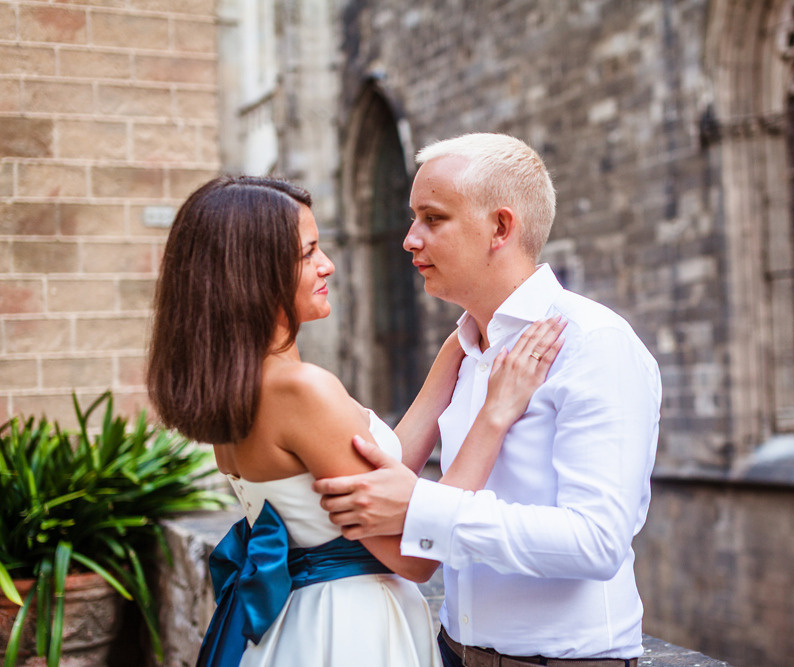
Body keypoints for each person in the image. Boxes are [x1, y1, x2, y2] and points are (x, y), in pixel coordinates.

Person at [146, 175, 565, 667]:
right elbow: (417, 558)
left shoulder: (241, 387)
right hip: (348, 633)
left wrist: (461, 344)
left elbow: (377, 473)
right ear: (252, 270)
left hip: (297, 624)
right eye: (308, 252)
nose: (328, 265)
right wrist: (495, 414)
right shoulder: (300, 390)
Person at [314, 133, 662, 667]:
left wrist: (422, 508)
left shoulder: (593, 343)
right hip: (452, 649)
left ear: (500, 228)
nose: (409, 239)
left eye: (433, 219)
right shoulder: (465, 348)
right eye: (413, 218)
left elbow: (597, 541)